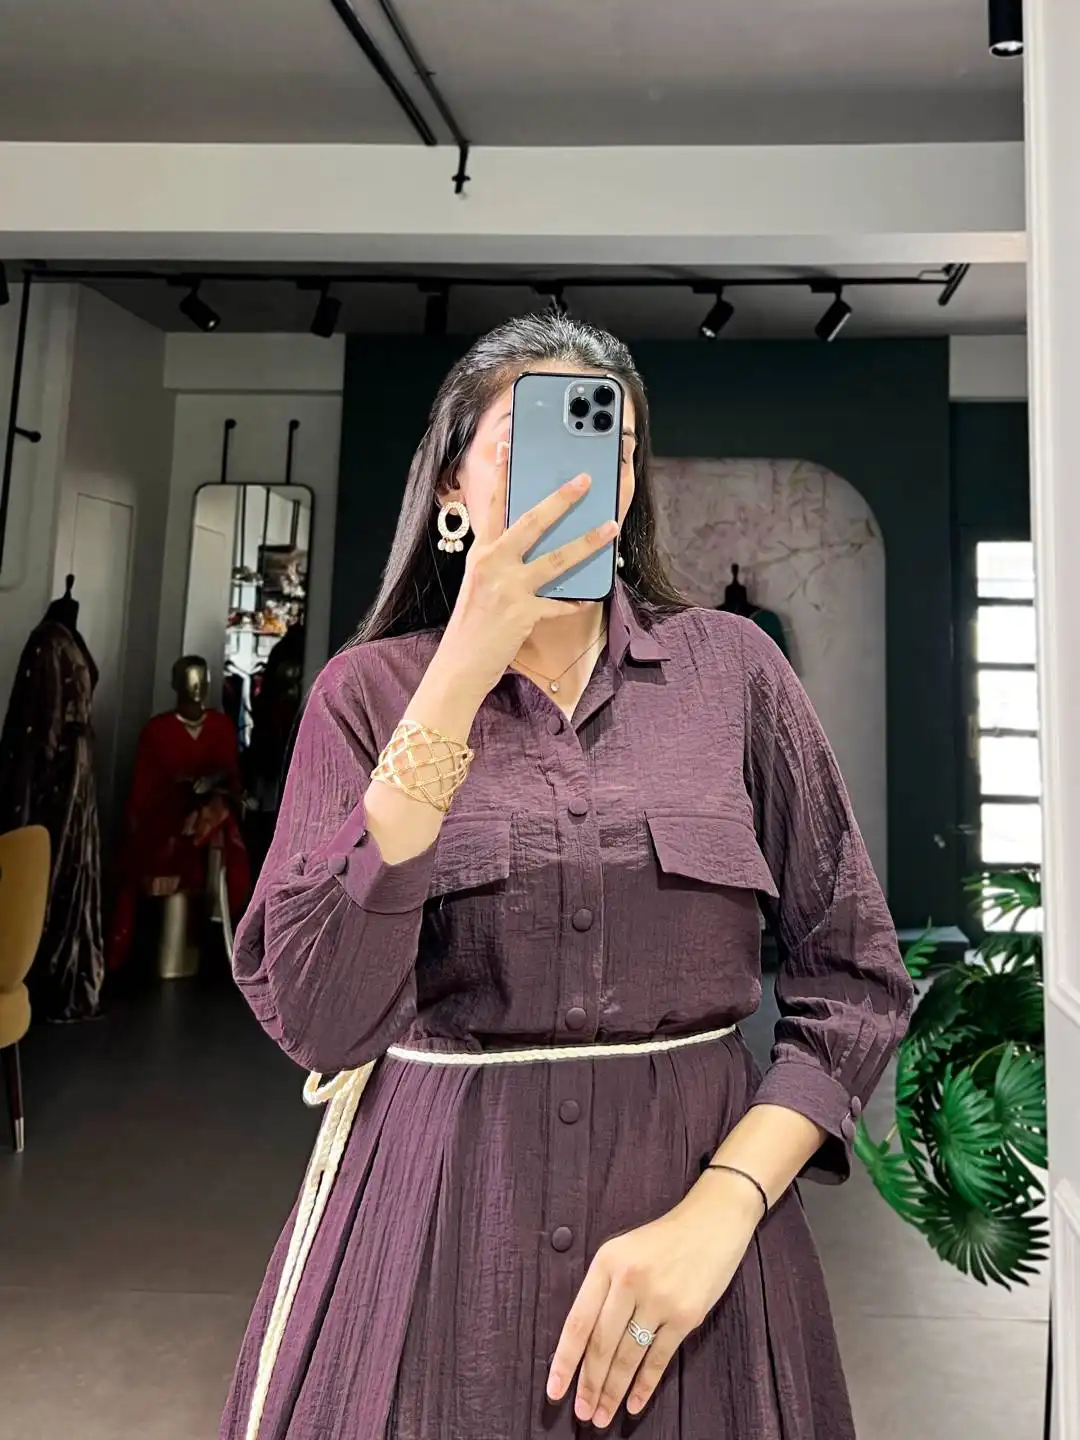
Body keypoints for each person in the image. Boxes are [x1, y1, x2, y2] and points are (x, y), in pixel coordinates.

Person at [221, 315, 912, 1440]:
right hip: (435, 1242)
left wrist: (725, 1209)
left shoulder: (734, 674)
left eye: (615, 447)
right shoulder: (366, 694)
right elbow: (319, 1018)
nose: (585, 473)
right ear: (452, 483)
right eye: (532, 441)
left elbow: (856, 977)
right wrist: (458, 674)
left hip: (704, 1272)